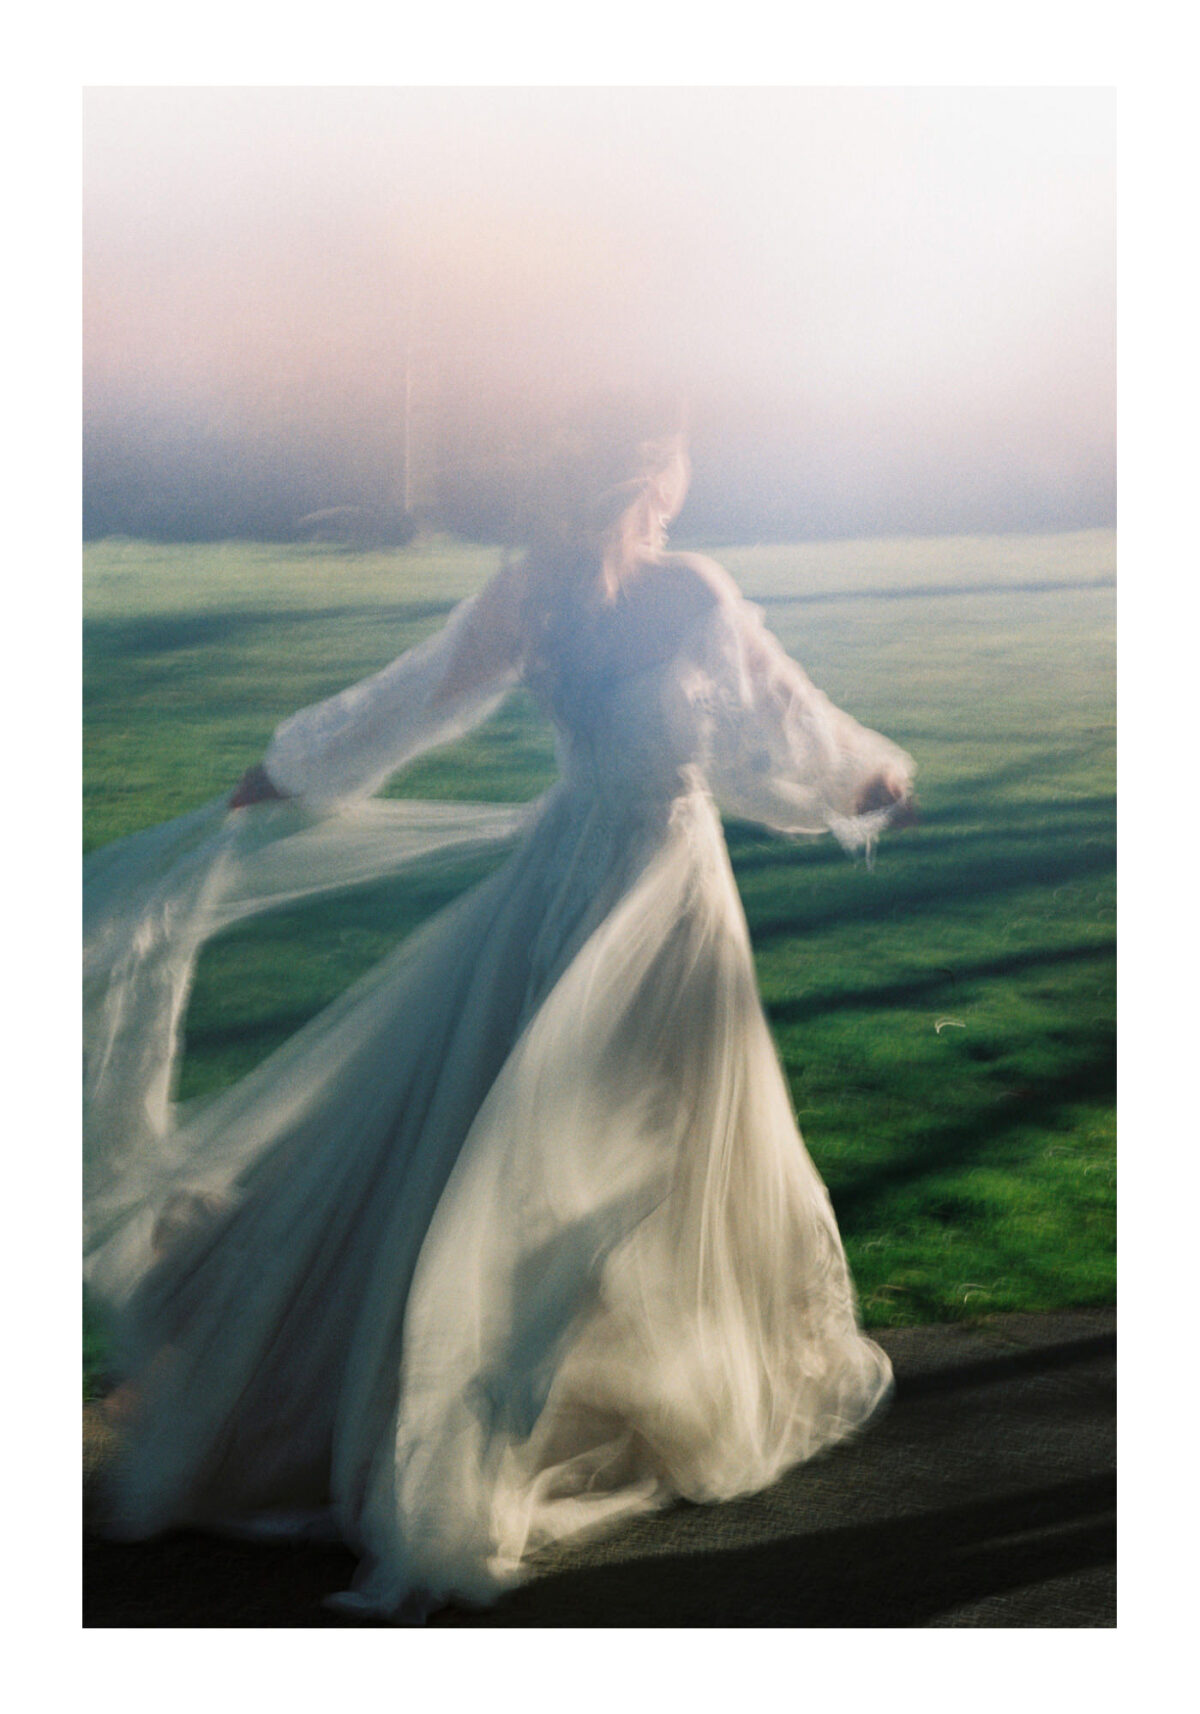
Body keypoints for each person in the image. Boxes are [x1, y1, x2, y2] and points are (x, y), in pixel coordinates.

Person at [83, 429, 916, 1621]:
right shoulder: (682, 591)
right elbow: (775, 732)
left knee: (509, 1136)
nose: (688, 479)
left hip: (577, 879)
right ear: (645, 469)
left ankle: (503, 1376)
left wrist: (292, 768)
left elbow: (413, 700)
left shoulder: (543, 588)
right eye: (676, 453)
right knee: (605, 1145)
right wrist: (870, 782)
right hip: (654, 891)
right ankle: (512, 1407)